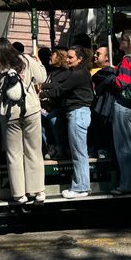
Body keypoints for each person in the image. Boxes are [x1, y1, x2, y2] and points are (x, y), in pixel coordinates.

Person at [0, 38, 47, 205]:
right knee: (34, 151)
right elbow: (41, 78)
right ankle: (38, 191)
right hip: (31, 110)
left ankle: (19, 194)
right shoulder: (27, 60)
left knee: (14, 154)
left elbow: (0, 88)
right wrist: (39, 63)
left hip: (9, 114)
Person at [41, 46, 94, 198]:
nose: (68, 60)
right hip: (78, 114)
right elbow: (59, 85)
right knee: (79, 152)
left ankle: (80, 188)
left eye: (71, 57)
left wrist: (40, 93)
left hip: (78, 114)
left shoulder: (78, 74)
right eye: (68, 57)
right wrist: (43, 86)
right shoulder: (78, 73)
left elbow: (59, 89)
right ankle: (82, 186)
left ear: (80, 59)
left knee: (78, 153)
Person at [110, 29, 131, 194]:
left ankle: (127, 184)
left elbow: (121, 83)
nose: (119, 42)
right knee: (128, 146)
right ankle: (129, 182)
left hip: (123, 105)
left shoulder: (127, 61)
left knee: (123, 147)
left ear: (128, 43)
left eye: (122, 39)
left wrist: (110, 75)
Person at [90, 45, 116, 159]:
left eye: (98, 54)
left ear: (107, 57)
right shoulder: (90, 71)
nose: (95, 56)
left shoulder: (116, 71)